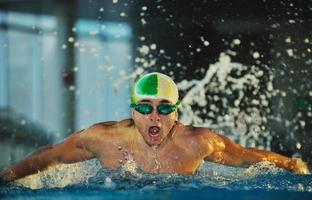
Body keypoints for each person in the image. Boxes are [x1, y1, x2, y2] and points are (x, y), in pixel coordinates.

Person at [0, 72, 309, 183]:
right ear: (133, 110)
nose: (155, 117)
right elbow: (48, 156)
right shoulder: (103, 138)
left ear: (176, 113)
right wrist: (7, 178)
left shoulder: (197, 142)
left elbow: (244, 156)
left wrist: (290, 163)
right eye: (145, 108)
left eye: (165, 108)